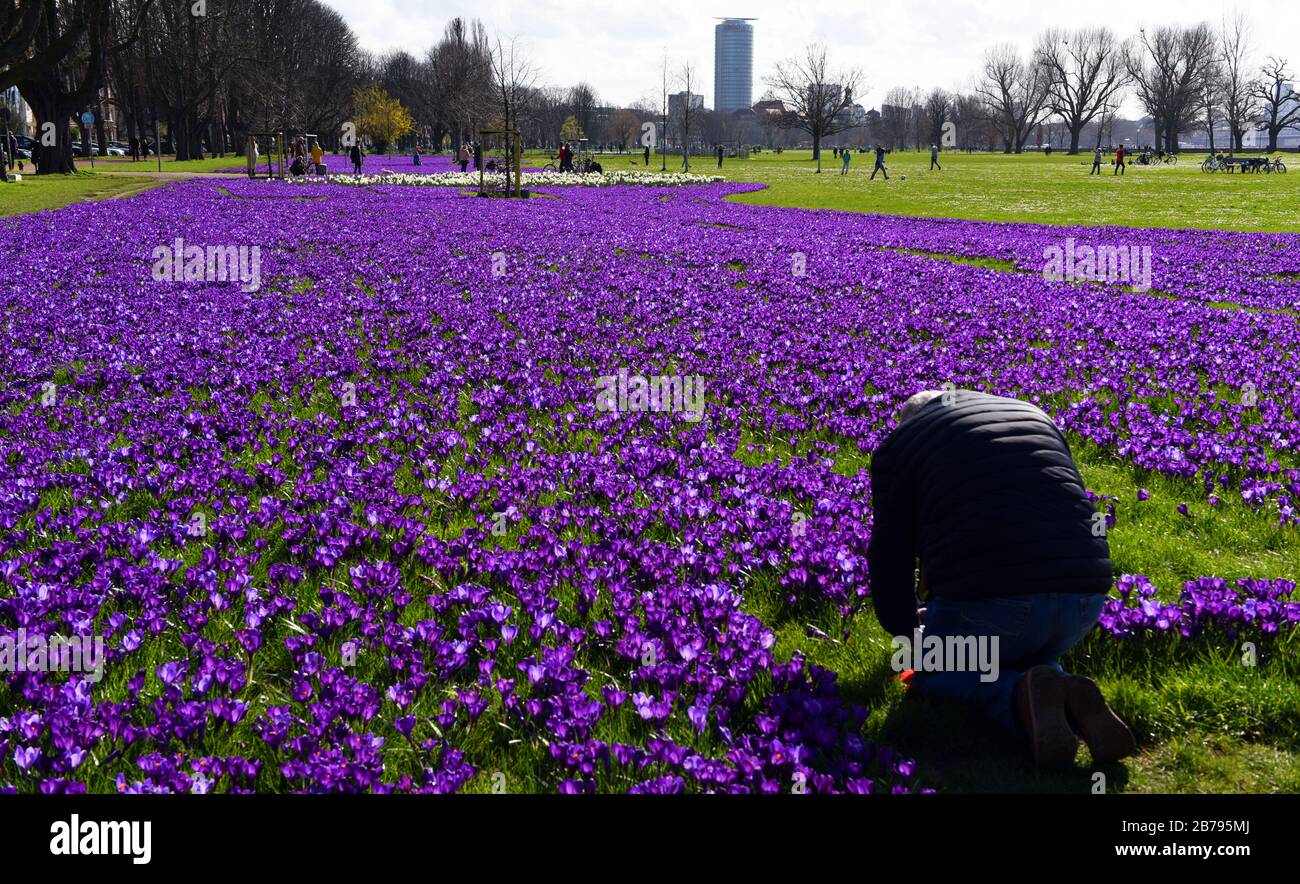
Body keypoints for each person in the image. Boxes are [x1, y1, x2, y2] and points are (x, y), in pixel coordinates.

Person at [868, 390, 1136, 767]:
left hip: (996, 604)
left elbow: (889, 554)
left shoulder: (901, 445)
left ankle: (1016, 698)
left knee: (935, 673)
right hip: (1084, 601)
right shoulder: (1034, 412)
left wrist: (911, 636)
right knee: (1019, 650)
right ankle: (1063, 694)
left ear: (907, 422)